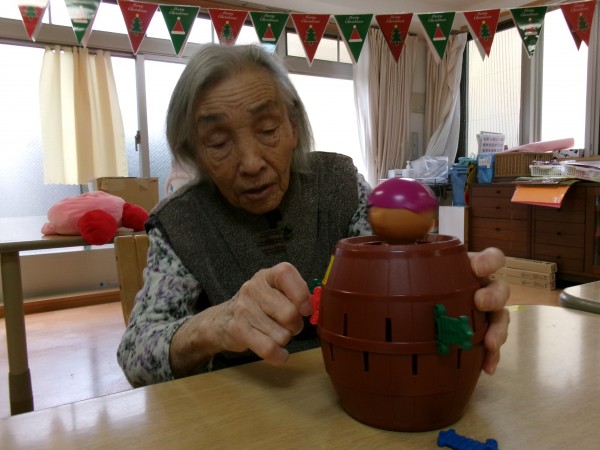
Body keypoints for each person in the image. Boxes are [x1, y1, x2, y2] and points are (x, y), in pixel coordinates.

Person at [117, 43, 510, 387]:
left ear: (293, 126)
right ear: (194, 153)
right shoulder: (182, 222)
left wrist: (451, 290)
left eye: (267, 129)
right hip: (238, 409)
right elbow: (135, 355)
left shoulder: (339, 183)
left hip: (351, 388)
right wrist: (217, 324)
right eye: (218, 143)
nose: (251, 163)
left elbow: (395, 266)